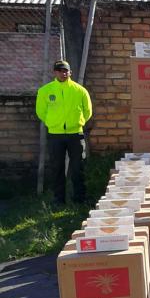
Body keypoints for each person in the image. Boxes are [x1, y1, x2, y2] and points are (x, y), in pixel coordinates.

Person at [36, 60, 93, 204]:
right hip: (55, 135)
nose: (63, 73)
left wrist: (77, 123)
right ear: (54, 73)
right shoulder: (45, 91)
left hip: (76, 134)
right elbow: (41, 111)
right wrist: (52, 123)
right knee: (57, 167)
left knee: (78, 167)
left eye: (66, 71)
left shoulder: (80, 90)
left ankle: (79, 198)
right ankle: (58, 199)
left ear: (70, 72)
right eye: (60, 71)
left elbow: (88, 111)